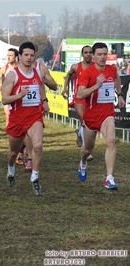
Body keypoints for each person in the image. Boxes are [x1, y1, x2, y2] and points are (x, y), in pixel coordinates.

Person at [2, 41, 49, 196]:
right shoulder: (12, 75)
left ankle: (35, 177)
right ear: (20, 57)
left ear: (35, 56)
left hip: (34, 116)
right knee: (13, 152)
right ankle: (10, 169)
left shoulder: (38, 72)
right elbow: (4, 99)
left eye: (32, 55)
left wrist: (44, 101)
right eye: (26, 55)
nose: (29, 58)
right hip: (17, 119)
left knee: (38, 146)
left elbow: (41, 87)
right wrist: (19, 95)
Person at [76, 42, 124, 190]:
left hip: (107, 114)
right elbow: (80, 94)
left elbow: (117, 78)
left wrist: (120, 95)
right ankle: (82, 162)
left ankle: (109, 178)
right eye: (99, 54)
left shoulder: (111, 69)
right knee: (88, 150)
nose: (103, 57)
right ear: (93, 56)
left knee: (110, 140)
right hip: (91, 116)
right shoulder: (87, 73)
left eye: (105, 54)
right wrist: (96, 86)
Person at [62, 46, 93, 151]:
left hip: (91, 99)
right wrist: (65, 88)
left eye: (90, 52)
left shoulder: (96, 67)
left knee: (90, 123)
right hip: (78, 98)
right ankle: (86, 148)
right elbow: (68, 74)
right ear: (82, 54)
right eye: (86, 52)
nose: (88, 54)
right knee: (84, 121)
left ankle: (80, 132)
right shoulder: (76, 67)